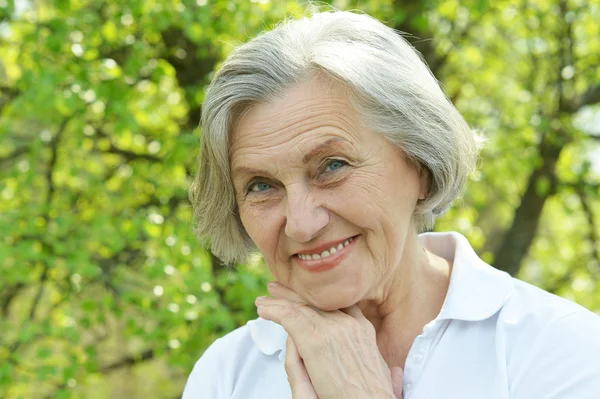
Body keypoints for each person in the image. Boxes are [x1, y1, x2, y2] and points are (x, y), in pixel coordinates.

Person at [183, 10, 600, 399]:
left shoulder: (562, 349)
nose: (301, 224)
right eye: (260, 186)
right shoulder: (227, 374)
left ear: (419, 163)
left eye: (332, 165)